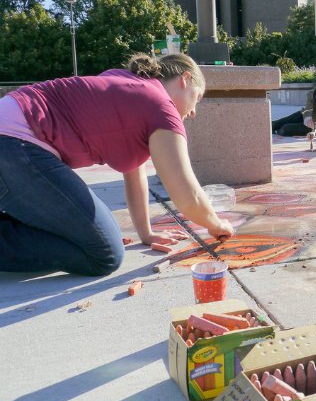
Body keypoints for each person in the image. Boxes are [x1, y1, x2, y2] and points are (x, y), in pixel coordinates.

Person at [0, 53, 235, 276]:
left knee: (93, 236)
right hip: (14, 144)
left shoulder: (132, 87)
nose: (193, 112)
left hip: (13, 138)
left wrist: (146, 233)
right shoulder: (161, 107)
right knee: (104, 252)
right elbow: (186, 191)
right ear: (185, 79)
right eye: (197, 98)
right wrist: (215, 223)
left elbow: (136, 176)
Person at [271, 72, 316, 137]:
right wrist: (307, 119)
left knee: (285, 129)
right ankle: (269, 127)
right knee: (276, 124)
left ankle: (278, 131)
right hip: (305, 115)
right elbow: (307, 108)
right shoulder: (312, 93)